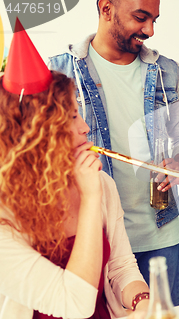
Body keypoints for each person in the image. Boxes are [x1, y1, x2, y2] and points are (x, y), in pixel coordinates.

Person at [49, 0, 179, 305]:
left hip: (161, 233)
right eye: (141, 18)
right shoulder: (56, 72)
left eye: (155, 20)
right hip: (92, 234)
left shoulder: (167, 72)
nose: (150, 30)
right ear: (106, 9)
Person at [0, 20, 149, 318]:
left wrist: (142, 301)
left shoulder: (102, 184)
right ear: (36, 134)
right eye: (70, 118)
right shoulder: (5, 216)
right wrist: (91, 198)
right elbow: (75, 305)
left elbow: (121, 267)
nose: (85, 128)